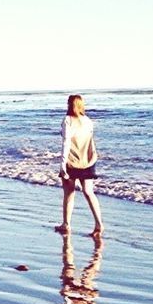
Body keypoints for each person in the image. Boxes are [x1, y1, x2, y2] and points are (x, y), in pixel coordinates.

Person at [55, 93, 103, 238]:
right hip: (88, 160)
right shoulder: (88, 121)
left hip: (72, 161)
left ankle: (66, 224)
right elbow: (91, 141)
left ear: (70, 105)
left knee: (69, 192)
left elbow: (66, 143)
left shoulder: (67, 120)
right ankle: (98, 223)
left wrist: (62, 164)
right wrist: (94, 157)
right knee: (89, 192)